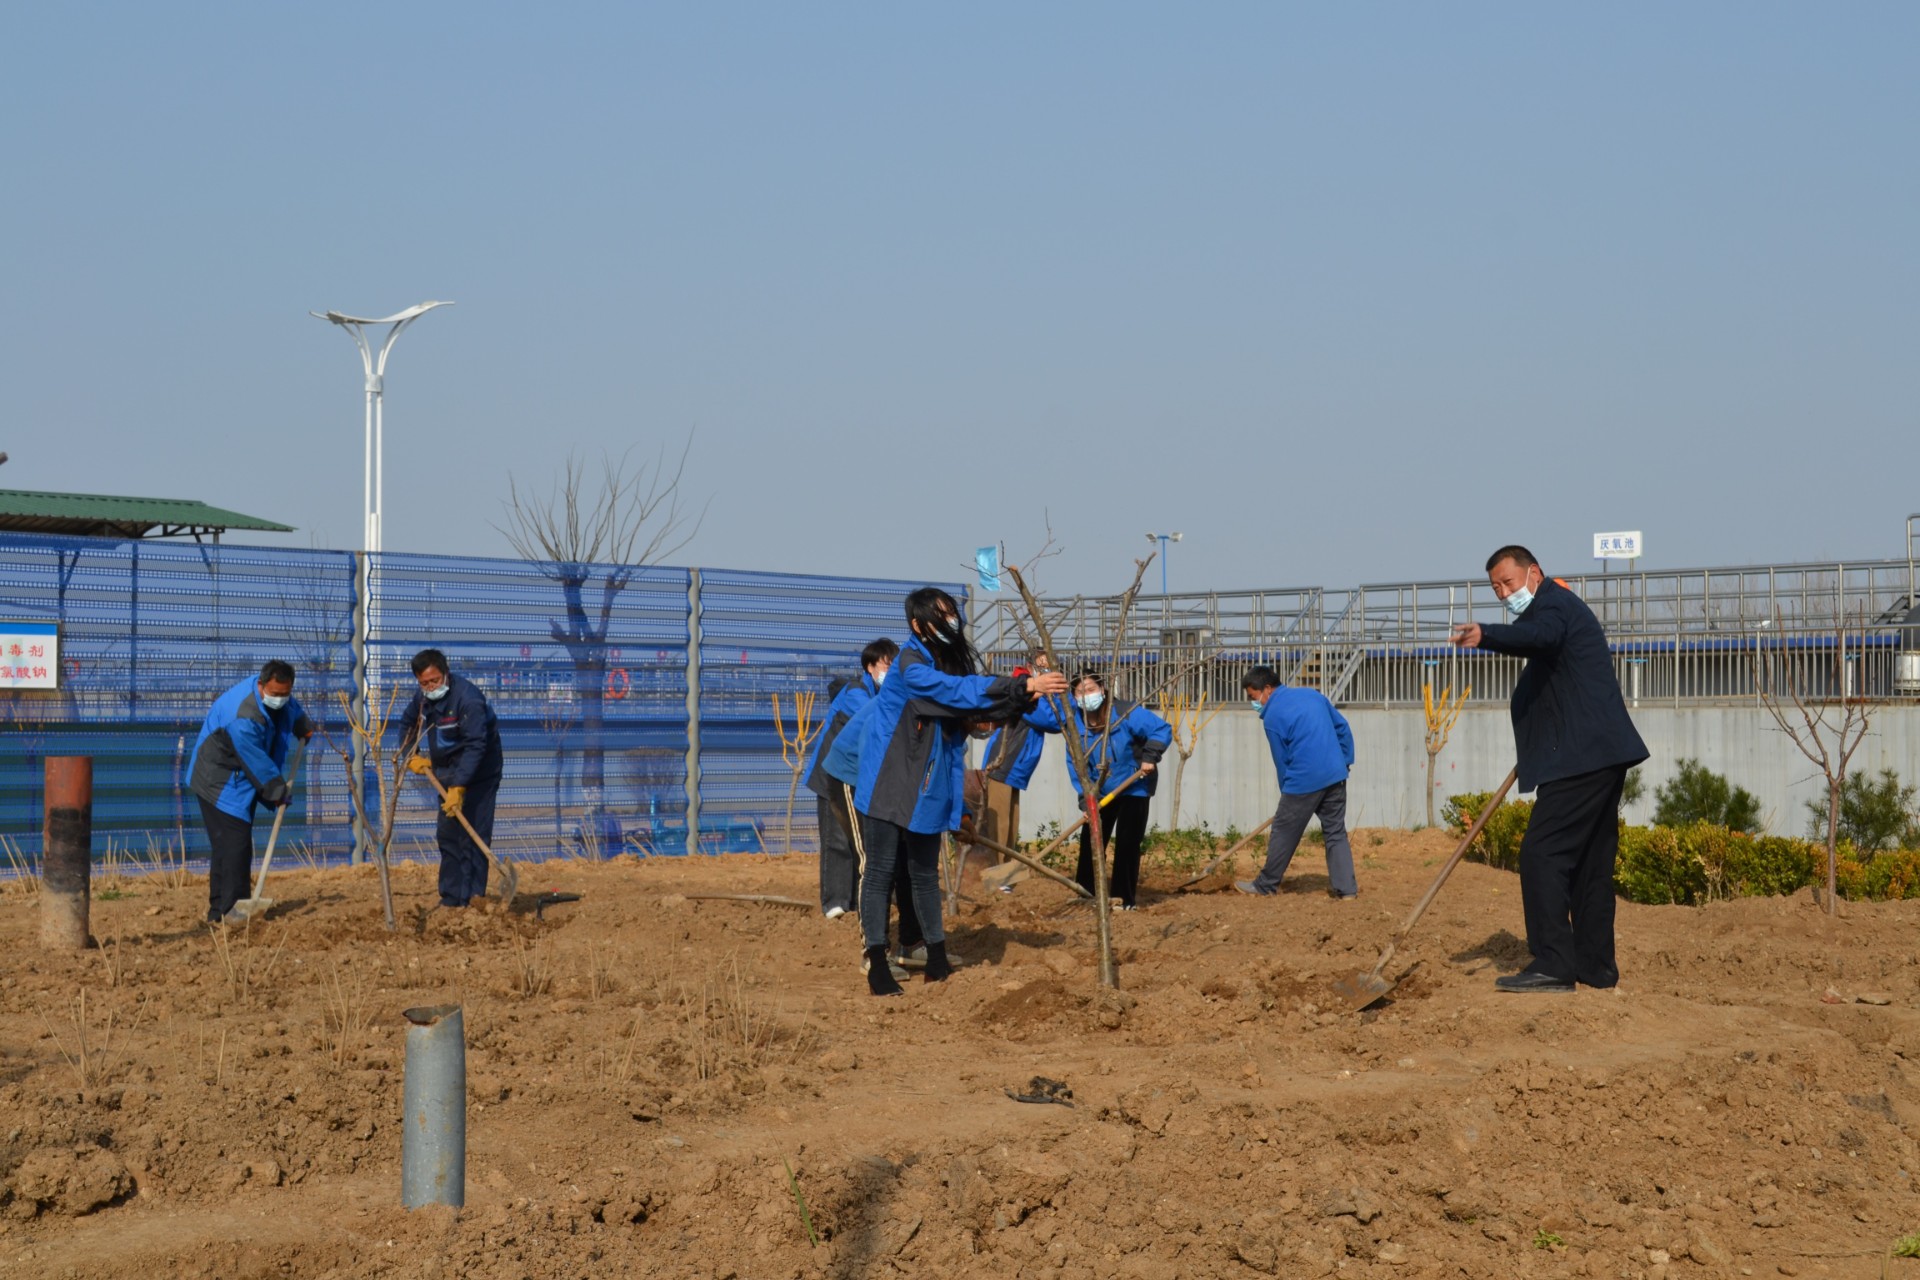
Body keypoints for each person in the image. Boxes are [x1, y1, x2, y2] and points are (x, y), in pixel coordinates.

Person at [1452, 545, 1649, 993]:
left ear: (1534, 573)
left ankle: (1554, 963)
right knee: (1589, 865)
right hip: (1597, 755)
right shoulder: (1555, 612)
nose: (1505, 594)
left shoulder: (1554, 606)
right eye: (1496, 588)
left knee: (1541, 854)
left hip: (1581, 760)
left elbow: (1539, 637)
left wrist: (1487, 635)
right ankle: (1595, 967)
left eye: (1509, 582)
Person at [853, 588, 1067, 995]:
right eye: (942, 615)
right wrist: (1019, 686)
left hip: (925, 786)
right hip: (886, 781)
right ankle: (877, 961)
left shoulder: (944, 663)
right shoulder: (910, 665)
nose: (952, 620)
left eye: (953, 613)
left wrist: (1022, 697)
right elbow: (956, 692)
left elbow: (960, 733)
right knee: (881, 871)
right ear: (918, 625)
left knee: (923, 873)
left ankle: (936, 957)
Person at [1030, 671, 1172, 911]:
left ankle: (1123, 899)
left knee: (1127, 842)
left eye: (1091, 690)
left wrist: (1150, 757)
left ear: (1103, 689)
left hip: (1134, 784)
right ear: (1074, 697)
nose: (1087, 696)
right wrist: (1086, 799)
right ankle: (1085, 893)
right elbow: (1075, 764)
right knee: (1091, 840)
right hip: (1100, 789)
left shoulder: (1125, 712)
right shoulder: (1074, 723)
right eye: (1080, 692)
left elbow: (1161, 730)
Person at [190, 660, 312, 922]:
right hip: (219, 780)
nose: (280, 699)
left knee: (226, 845)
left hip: (239, 777)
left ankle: (218, 913)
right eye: (275, 694)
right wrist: (277, 791)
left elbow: (289, 707)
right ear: (261, 685)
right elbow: (255, 759)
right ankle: (233, 911)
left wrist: (301, 722)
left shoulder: (278, 696)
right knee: (235, 844)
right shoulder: (242, 715)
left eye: (284, 694)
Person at [822, 687, 924, 980]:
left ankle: (911, 943)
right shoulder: (908, 700)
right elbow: (873, 751)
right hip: (852, 776)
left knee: (904, 857)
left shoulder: (938, 703)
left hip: (888, 780)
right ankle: (873, 953)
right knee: (873, 862)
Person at [1234, 665, 1358, 899]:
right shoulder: (1312, 695)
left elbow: (1282, 761)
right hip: (1335, 774)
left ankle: (1265, 885)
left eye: (1253, 696)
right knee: (1335, 832)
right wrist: (1345, 760)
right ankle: (1347, 891)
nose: (1253, 703)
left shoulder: (1272, 717)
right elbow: (1342, 727)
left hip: (1303, 781)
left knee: (1283, 831)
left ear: (1267, 689)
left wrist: (1287, 796)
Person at [398, 648, 505, 908]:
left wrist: (459, 785)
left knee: (474, 834)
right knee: (448, 835)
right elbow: (407, 723)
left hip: (480, 773)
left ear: (446, 673)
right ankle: (452, 897)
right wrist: (410, 753)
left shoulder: (469, 700)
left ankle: (473, 898)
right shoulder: (422, 699)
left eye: (434, 681)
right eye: (424, 683)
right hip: (445, 770)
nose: (430, 687)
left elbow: (476, 746)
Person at [804, 638, 897, 918]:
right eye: (885, 665)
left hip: (855, 779)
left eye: (893, 665)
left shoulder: (879, 694)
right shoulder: (855, 692)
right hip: (830, 776)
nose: (889, 671)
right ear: (870, 667)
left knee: (857, 837)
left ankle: (855, 899)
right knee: (836, 838)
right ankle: (834, 901)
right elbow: (876, 718)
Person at [974, 650, 1053, 854]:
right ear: (1030, 667)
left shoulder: (1040, 695)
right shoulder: (1024, 694)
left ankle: (1007, 870)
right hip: (1004, 765)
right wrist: (1052, 693)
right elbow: (1051, 720)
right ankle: (996, 869)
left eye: (1049, 668)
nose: (1046, 672)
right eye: (1042, 667)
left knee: (1010, 825)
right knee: (998, 828)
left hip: (1016, 768)